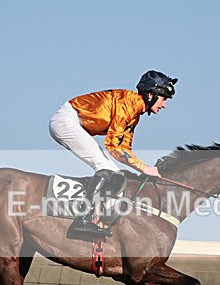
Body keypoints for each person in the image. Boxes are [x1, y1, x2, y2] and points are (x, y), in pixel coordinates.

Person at [49, 70, 178, 237]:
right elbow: (113, 147)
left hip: (74, 123)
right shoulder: (128, 103)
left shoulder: (134, 113)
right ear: (151, 94)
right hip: (66, 121)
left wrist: (143, 168)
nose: (164, 105)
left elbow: (123, 147)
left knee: (114, 172)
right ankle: (83, 218)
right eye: (164, 99)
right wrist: (144, 168)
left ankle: (93, 216)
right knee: (105, 167)